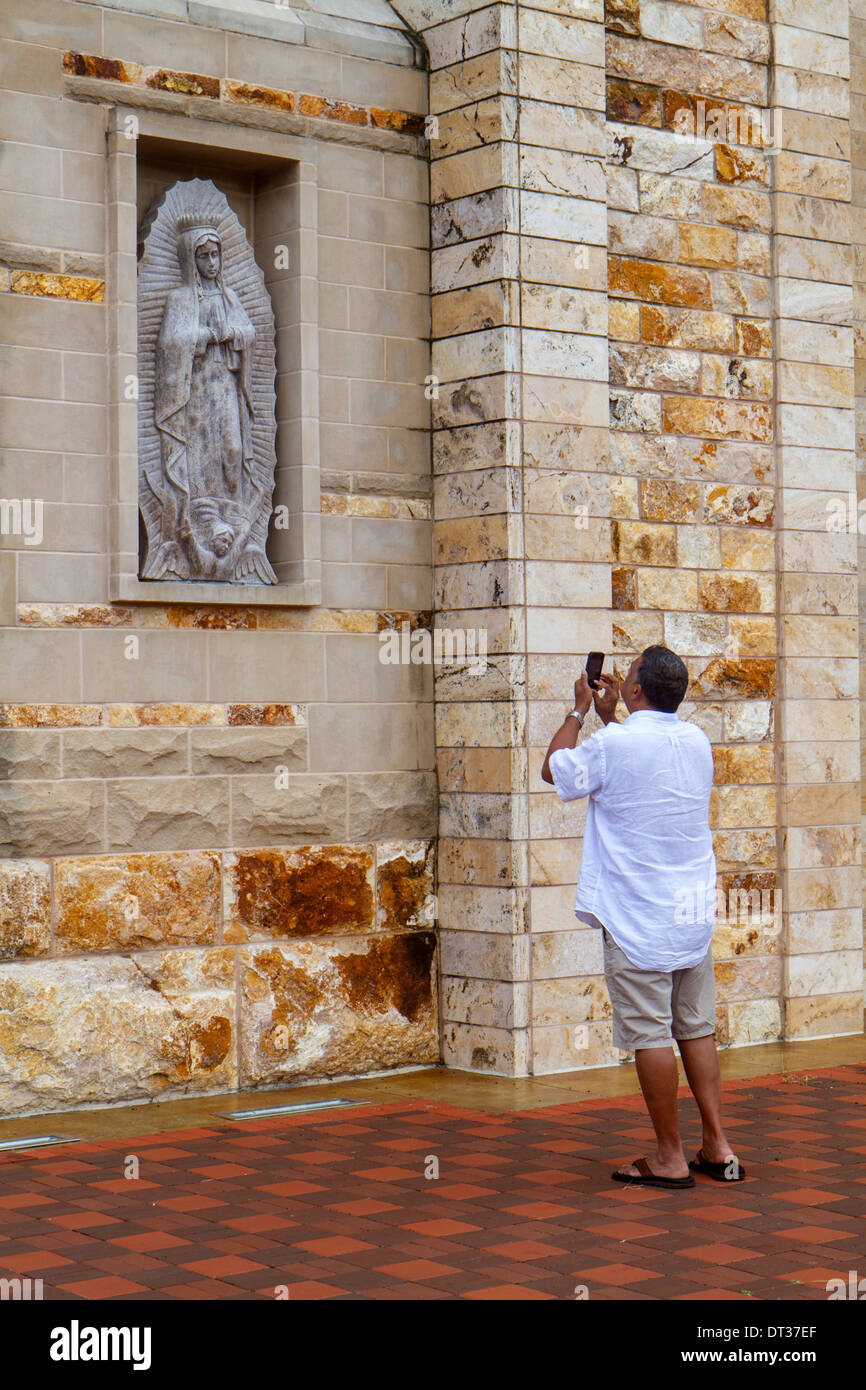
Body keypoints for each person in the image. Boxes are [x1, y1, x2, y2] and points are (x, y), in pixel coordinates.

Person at [541, 645, 745, 1189]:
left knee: (651, 1035)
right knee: (695, 1028)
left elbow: (553, 769)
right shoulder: (696, 740)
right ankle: (717, 1145)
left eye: (629, 678)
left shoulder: (612, 743)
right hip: (689, 911)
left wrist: (579, 710)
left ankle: (670, 1157)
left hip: (636, 916)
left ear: (635, 691)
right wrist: (611, 719)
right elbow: (643, 758)